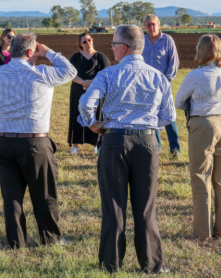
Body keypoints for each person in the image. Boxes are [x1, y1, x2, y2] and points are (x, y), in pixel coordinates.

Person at [78, 25, 175, 274]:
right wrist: (149, 128)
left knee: (113, 206)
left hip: (114, 142)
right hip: (147, 142)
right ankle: (152, 265)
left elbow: (85, 103)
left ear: (123, 47)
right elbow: (169, 116)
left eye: (112, 44)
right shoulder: (158, 77)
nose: (111, 48)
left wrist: (93, 124)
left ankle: (110, 265)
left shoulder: (108, 75)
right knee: (146, 208)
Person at [0, 32, 77, 248]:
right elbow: (71, 71)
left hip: (2, 141)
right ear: (30, 52)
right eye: (36, 51)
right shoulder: (43, 73)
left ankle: (16, 242)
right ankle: (51, 240)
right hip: (34, 142)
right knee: (44, 194)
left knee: (11, 196)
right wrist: (48, 52)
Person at [176, 35, 221, 240]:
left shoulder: (195, 76)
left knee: (201, 178)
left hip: (204, 125)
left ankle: (202, 232)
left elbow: (179, 102)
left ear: (202, 50)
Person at [142, 14, 181, 157]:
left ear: (159, 24)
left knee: (169, 117)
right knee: (151, 117)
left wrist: (165, 81)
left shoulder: (167, 40)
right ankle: (155, 149)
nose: (151, 27)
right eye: (148, 24)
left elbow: (174, 63)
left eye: (153, 24)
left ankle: (175, 149)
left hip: (163, 85)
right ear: (144, 27)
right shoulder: (142, 41)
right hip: (145, 86)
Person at [68, 32, 110, 155]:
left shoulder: (101, 57)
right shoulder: (75, 57)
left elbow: (106, 73)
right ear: (80, 44)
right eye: (85, 41)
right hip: (78, 89)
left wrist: (90, 82)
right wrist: (83, 83)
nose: (88, 43)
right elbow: (70, 73)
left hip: (97, 90)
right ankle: (75, 145)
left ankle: (96, 144)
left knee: (97, 115)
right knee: (76, 114)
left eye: (90, 40)